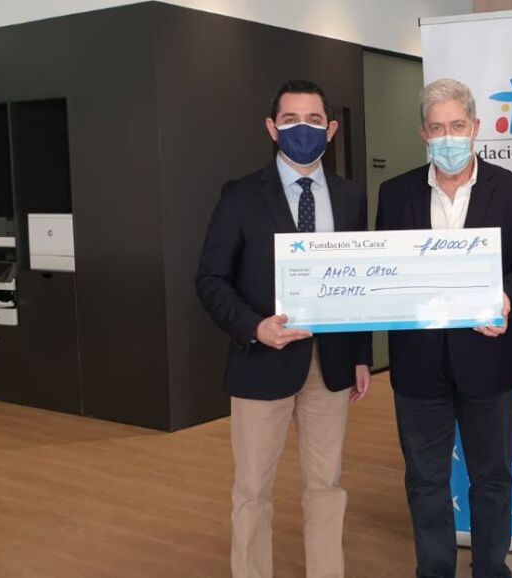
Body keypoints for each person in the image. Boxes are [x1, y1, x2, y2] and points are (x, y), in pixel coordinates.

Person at [196, 79, 372, 578]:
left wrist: (361, 354)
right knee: (253, 491)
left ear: (330, 130)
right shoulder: (239, 196)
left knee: (327, 486)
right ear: (272, 128)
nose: (303, 129)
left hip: (331, 364)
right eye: (291, 119)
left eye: (314, 120)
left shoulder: (351, 197)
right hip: (261, 361)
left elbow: (358, 282)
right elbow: (210, 280)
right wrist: (255, 327)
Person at [375, 78, 512, 578]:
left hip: (488, 360)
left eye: (456, 125)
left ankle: (491, 569)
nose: (447, 136)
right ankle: (434, 570)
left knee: (491, 478)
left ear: (475, 127)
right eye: (437, 128)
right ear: (423, 134)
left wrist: (505, 296)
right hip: (417, 363)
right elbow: (383, 271)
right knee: (425, 480)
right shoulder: (395, 193)